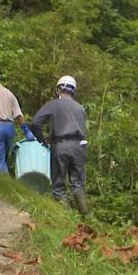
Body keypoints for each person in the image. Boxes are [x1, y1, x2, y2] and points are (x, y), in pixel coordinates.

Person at [29, 75, 90, 217]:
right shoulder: (80, 108)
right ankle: (86, 217)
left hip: (60, 145)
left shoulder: (54, 104)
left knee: (58, 185)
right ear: (73, 91)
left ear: (58, 89)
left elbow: (35, 123)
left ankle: (65, 218)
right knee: (78, 183)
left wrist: (42, 140)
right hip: (79, 147)